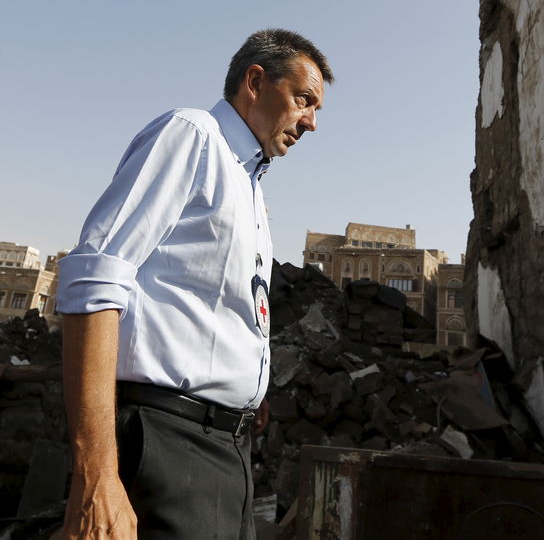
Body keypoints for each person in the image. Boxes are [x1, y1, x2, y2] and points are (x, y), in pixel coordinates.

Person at [53, 29, 334, 540]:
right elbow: (94, 278)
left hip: (226, 451)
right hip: (167, 443)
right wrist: (95, 475)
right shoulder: (193, 135)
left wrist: (246, 382)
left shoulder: (248, 185)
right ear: (255, 81)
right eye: (303, 100)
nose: (312, 122)